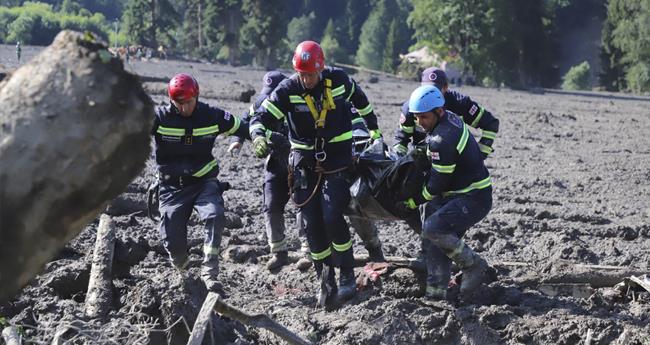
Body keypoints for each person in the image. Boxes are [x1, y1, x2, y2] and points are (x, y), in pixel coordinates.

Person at [249, 41, 384, 306]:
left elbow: (362, 102)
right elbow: (261, 117)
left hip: (336, 159)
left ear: (321, 69)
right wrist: (257, 136)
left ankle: (346, 274)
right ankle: (324, 277)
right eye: (302, 74)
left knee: (332, 215)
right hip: (303, 162)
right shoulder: (287, 89)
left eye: (310, 74)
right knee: (311, 223)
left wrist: (374, 129)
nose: (306, 79)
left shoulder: (340, 81)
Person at [231, 71, 386, 271]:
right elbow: (251, 120)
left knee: (345, 207)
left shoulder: (334, 94)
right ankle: (288, 254)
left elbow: (357, 117)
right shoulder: (277, 98)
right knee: (290, 208)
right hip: (286, 161)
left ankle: (369, 249)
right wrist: (249, 138)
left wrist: (366, 135)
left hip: (331, 160)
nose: (307, 81)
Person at [395, 85, 494, 301]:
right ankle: (435, 296)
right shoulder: (446, 119)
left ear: (439, 112)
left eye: (424, 118)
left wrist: (412, 202)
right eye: (417, 118)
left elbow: (436, 185)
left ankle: (473, 265)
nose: (420, 123)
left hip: (473, 196)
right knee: (434, 240)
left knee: (433, 227)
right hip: (457, 192)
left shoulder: (442, 139)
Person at [152, 73, 247, 291]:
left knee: (215, 215)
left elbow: (242, 127)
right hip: (171, 186)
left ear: (197, 96)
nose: (185, 108)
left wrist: (260, 138)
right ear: (171, 101)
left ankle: (209, 272)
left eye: (189, 102)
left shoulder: (211, 116)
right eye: (179, 103)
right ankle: (184, 270)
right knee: (172, 242)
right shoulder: (159, 118)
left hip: (204, 181)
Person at [393, 68, 499, 159]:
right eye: (426, 89)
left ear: (445, 87)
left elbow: (490, 123)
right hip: (423, 159)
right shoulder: (411, 108)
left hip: (455, 161)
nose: (430, 94)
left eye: (435, 90)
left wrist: (480, 153)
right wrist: (399, 157)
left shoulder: (460, 103)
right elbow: (401, 140)